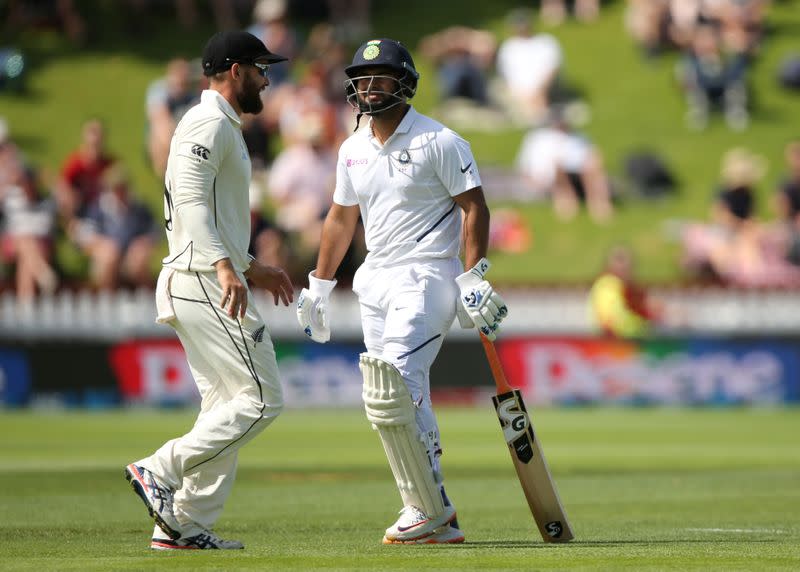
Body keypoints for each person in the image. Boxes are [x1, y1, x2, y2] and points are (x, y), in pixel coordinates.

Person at [296, 38, 508, 545]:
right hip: (375, 279)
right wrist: (320, 286)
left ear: (405, 83)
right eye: (362, 79)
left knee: (393, 383)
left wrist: (474, 275)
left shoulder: (441, 141)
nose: (369, 87)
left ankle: (422, 509)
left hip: (428, 275)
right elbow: (341, 218)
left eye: (381, 77)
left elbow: (474, 207)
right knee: (401, 396)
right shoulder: (351, 150)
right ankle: (437, 510)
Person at [123, 30, 294, 551]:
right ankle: (159, 468)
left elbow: (211, 211)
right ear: (235, 70)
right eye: (261, 68)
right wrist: (225, 267)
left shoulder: (221, 124)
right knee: (263, 400)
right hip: (202, 282)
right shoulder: (206, 121)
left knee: (225, 405)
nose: (268, 78)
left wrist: (249, 265)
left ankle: (183, 525)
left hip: (204, 275)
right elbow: (192, 202)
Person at [589, 245, 662, 338]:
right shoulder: (608, 286)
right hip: (616, 343)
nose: (625, 267)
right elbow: (611, 321)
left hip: (622, 341)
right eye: (620, 260)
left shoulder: (624, 286)